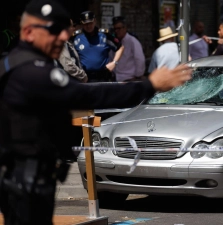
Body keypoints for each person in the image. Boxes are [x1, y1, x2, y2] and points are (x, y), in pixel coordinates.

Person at [0, 0, 192, 224]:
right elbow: (91, 95)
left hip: (19, 174)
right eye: (54, 30)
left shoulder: (12, 63)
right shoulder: (34, 72)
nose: (63, 37)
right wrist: (150, 85)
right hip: (27, 178)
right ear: (29, 32)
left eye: (64, 30)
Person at [73, 11, 124, 82]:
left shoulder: (104, 35)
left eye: (90, 23)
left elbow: (120, 47)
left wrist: (114, 63)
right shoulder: (76, 37)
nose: (88, 26)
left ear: (95, 21)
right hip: (83, 77)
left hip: (103, 76)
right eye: (86, 24)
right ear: (81, 24)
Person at [110, 16, 146, 82]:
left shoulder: (132, 41)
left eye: (119, 28)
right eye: (114, 29)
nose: (116, 31)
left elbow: (139, 59)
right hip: (117, 79)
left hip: (129, 79)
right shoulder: (114, 42)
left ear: (125, 28)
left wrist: (138, 76)